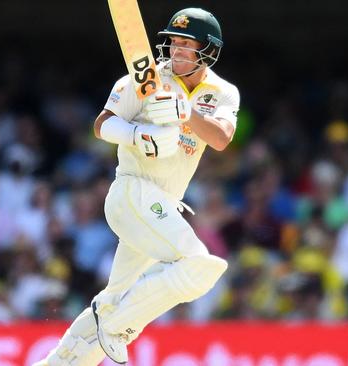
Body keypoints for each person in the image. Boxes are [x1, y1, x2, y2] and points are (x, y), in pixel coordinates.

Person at [35, 7, 239, 365]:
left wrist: (184, 111)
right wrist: (138, 134)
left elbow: (221, 139)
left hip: (161, 207)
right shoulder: (145, 78)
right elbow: (101, 125)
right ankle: (116, 327)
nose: (175, 51)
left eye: (185, 45)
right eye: (172, 43)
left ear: (207, 50)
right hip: (132, 192)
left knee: (114, 298)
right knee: (200, 265)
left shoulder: (223, 92)